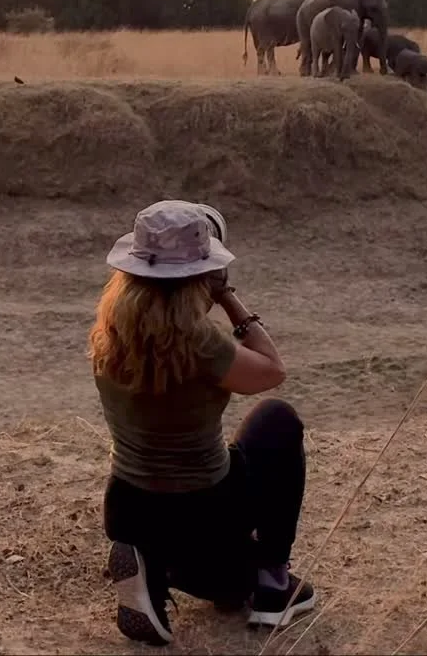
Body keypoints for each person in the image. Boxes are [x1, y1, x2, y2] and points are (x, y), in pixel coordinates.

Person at [89, 199, 315, 646]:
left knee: (219, 579)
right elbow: (272, 370)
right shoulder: (199, 343)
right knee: (276, 419)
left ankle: (150, 570)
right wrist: (228, 297)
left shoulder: (109, 333)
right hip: (205, 514)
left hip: (130, 508)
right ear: (203, 274)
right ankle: (272, 579)